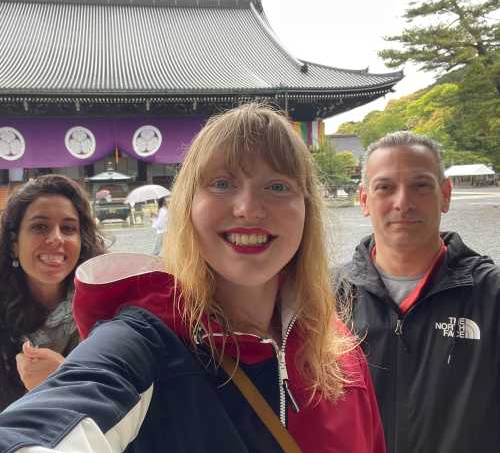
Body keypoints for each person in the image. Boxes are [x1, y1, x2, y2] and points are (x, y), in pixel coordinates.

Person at [0, 104, 385, 452]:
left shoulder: (338, 347)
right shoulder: (147, 340)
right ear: (188, 205)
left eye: (278, 186)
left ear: (307, 209)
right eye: (222, 183)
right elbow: (59, 413)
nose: (249, 208)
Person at [339, 131, 500, 453]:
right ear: (364, 199)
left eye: (421, 186)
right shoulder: (326, 296)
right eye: (385, 187)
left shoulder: (491, 296)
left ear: (445, 195)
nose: (403, 202)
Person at [0, 174, 106, 410]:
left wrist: (64, 376)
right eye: (40, 227)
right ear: (15, 244)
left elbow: (125, 398)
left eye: (68, 228)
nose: (56, 238)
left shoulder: (108, 310)